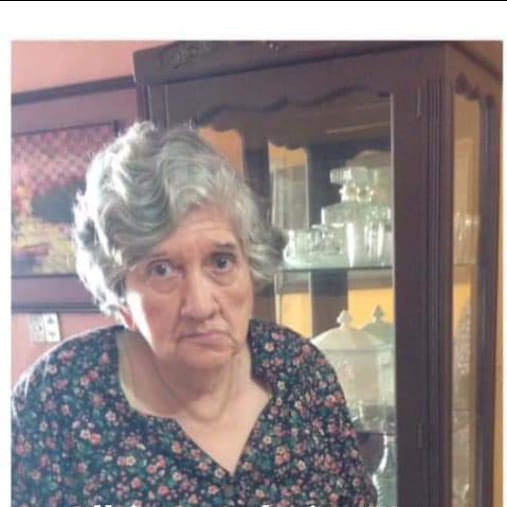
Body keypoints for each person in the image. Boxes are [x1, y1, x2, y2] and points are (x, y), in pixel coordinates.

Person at [11, 122, 377, 507]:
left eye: (221, 262)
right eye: (162, 270)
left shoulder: (300, 371)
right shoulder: (56, 399)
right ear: (121, 295)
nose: (201, 306)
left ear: (250, 265)